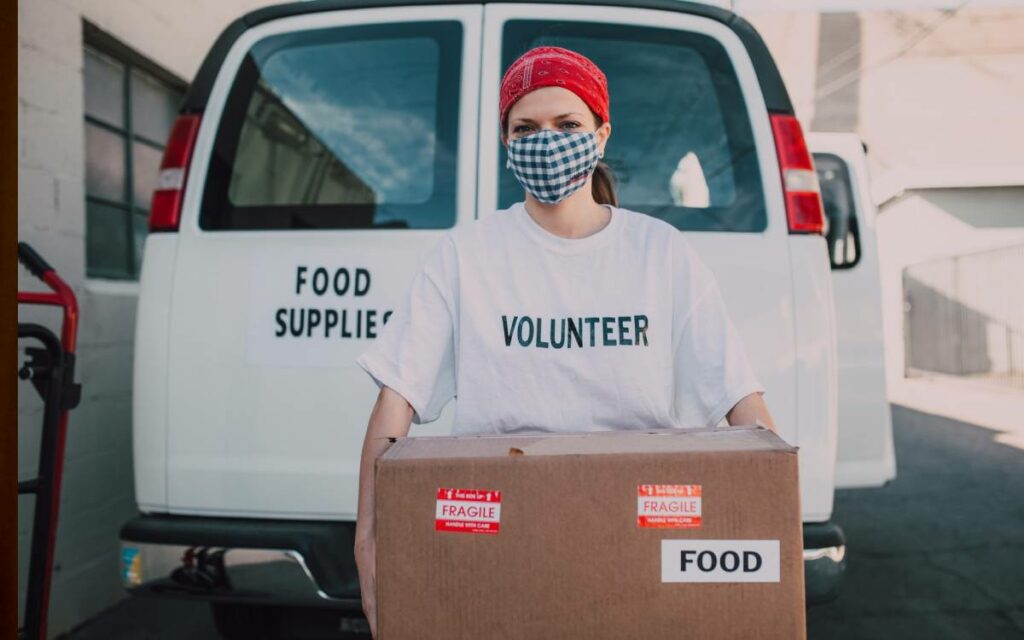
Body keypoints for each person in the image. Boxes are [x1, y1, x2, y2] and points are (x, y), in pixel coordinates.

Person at [351, 45, 777, 637]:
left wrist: (769, 531)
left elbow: (741, 405)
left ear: (601, 134)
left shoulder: (660, 253)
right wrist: (370, 543)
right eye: (525, 128)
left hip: (634, 533)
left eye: (567, 124)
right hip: (498, 535)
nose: (545, 141)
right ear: (506, 142)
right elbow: (394, 401)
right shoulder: (467, 255)